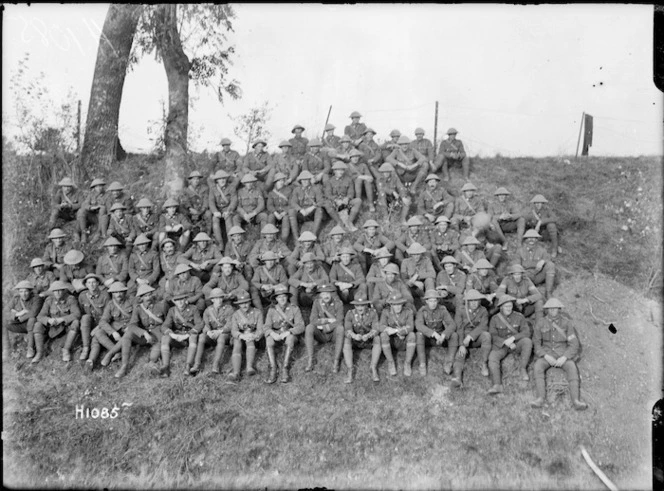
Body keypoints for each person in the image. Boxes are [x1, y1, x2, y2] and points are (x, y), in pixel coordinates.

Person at [531, 298, 587, 410]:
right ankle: (540, 398)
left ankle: (576, 400)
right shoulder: (541, 323)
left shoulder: (566, 323)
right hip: (547, 354)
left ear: (559, 309)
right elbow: (536, 343)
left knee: (572, 367)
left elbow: (574, 344)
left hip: (562, 354)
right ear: (546, 310)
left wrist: (565, 357)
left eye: (555, 308)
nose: (552, 311)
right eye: (550, 308)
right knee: (538, 366)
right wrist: (545, 355)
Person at [114, 284, 167, 378]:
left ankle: (152, 363)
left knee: (156, 350)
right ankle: (124, 366)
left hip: (157, 334)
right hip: (145, 335)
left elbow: (167, 321)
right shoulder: (138, 308)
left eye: (150, 294)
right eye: (145, 296)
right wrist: (144, 333)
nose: (148, 297)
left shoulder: (161, 305)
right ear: (141, 298)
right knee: (128, 334)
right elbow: (132, 325)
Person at [487, 295, 532, 395]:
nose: (508, 308)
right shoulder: (494, 319)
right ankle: (497, 385)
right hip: (502, 346)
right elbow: (493, 335)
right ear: (501, 307)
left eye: (510, 306)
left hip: (516, 344)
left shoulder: (519, 316)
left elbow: (526, 332)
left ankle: (523, 368)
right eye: (506, 306)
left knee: (527, 342)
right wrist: (505, 342)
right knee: (492, 357)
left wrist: (513, 338)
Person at [263, 284, 305, 384]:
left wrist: (289, 332)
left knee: (290, 338)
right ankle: (273, 368)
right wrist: (272, 334)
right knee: (269, 339)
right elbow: (266, 326)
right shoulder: (271, 310)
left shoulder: (294, 308)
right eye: (279, 297)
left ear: (287, 297)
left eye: (284, 296)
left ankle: (285, 368)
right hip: (277, 333)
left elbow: (301, 326)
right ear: (276, 298)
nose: (282, 299)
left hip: (289, 334)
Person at [86, 281, 133, 370]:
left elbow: (136, 317)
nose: (118, 294)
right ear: (112, 293)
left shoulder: (131, 301)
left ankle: (111, 353)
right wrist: (113, 332)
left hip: (130, 329)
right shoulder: (111, 304)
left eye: (120, 292)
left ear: (124, 292)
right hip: (117, 328)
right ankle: (116, 352)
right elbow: (103, 321)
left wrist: (131, 326)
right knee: (98, 333)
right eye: (115, 292)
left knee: (96, 338)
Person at [450, 289, 491, 388]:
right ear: (467, 301)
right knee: (460, 354)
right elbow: (459, 328)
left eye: (476, 300)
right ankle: (457, 378)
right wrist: (461, 345)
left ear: (480, 301)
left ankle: (484, 363)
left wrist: (470, 336)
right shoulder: (461, 310)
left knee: (486, 335)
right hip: (463, 336)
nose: (474, 303)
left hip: (475, 338)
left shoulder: (483, 311)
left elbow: (483, 326)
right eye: (471, 301)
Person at [33, 280, 81, 364]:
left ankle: (66, 350)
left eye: (60, 290)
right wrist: (48, 320)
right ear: (52, 292)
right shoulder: (49, 300)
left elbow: (77, 314)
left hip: (66, 327)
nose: (57, 293)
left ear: (63, 290)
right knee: (37, 325)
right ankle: (39, 353)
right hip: (53, 327)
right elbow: (40, 316)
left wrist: (62, 319)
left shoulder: (70, 299)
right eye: (55, 291)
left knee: (76, 323)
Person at [191, 287, 236, 375]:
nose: (218, 300)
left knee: (221, 338)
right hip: (212, 335)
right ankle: (197, 364)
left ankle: (216, 365)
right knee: (201, 337)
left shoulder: (229, 309)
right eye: (216, 298)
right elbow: (205, 325)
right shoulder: (208, 311)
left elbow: (230, 325)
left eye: (220, 298)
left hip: (224, 334)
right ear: (212, 300)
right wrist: (208, 332)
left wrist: (219, 332)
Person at [160, 291, 204, 377]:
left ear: (185, 299)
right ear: (174, 302)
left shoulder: (193, 308)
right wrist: (172, 334)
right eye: (177, 300)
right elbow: (164, 326)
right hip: (177, 336)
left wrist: (187, 334)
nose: (180, 302)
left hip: (188, 336)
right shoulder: (172, 310)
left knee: (193, 336)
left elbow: (200, 324)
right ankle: (166, 367)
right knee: (165, 338)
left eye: (182, 299)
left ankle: (188, 365)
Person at [415, 289, 458, 376]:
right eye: (431, 301)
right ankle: (422, 364)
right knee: (419, 334)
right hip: (428, 338)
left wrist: (443, 335)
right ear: (426, 301)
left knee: (454, 335)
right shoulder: (422, 311)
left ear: (438, 301)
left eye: (435, 301)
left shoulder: (442, 309)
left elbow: (452, 324)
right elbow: (418, 325)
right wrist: (433, 334)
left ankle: (449, 363)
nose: (433, 303)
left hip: (440, 338)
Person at [303, 283, 344, 373]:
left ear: (332, 294)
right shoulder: (317, 303)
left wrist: (325, 327)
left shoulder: (338, 303)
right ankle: (310, 359)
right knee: (309, 327)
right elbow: (313, 320)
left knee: (340, 328)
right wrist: (328, 320)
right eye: (323, 294)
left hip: (333, 334)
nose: (326, 296)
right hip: (321, 335)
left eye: (328, 293)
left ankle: (336, 361)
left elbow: (339, 321)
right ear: (320, 295)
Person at [342, 292, 381, 383]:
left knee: (378, 339)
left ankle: (373, 367)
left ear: (366, 305)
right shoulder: (350, 313)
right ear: (354, 305)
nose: (360, 308)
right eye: (357, 305)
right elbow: (347, 329)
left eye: (362, 305)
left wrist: (368, 335)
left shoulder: (373, 313)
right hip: (356, 340)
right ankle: (350, 369)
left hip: (368, 340)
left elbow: (376, 329)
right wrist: (354, 335)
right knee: (347, 340)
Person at [227, 289, 264, 382]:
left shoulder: (257, 312)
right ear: (238, 304)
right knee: (237, 343)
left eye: (246, 302)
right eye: (242, 303)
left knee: (250, 340)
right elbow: (234, 331)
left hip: (253, 338)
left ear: (250, 302)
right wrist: (241, 336)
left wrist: (254, 335)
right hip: (240, 336)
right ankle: (236, 372)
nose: (244, 305)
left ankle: (249, 367)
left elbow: (260, 329)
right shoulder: (236, 314)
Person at [378, 292, 417, 377]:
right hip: (391, 342)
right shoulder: (386, 312)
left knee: (412, 335)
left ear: (402, 303)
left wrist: (398, 331)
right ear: (391, 304)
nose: (398, 307)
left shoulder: (408, 311)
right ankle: (391, 362)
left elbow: (411, 327)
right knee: (383, 335)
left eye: (399, 304)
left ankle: (407, 363)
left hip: (403, 341)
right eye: (395, 305)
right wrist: (396, 330)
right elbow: (381, 327)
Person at [2, 280, 43, 361]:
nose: (23, 294)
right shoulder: (16, 298)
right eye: (21, 291)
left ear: (30, 291)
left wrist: (20, 318)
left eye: (26, 291)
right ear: (18, 292)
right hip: (21, 325)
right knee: (3, 322)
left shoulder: (37, 298)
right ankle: (6, 349)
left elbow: (34, 313)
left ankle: (30, 348)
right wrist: (18, 314)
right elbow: (5, 311)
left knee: (32, 319)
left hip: (33, 326)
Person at [78, 273, 110, 362]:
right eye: (89, 283)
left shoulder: (105, 296)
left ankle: (91, 360)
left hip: (102, 324)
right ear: (86, 285)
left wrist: (97, 328)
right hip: (89, 324)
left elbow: (108, 316)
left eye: (94, 282)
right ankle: (85, 348)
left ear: (98, 283)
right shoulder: (82, 296)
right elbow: (81, 312)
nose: (91, 285)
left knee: (96, 339)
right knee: (85, 317)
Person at [516, 229, 556, 299]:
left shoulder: (542, 250)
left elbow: (549, 258)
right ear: (525, 240)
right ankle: (526, 292)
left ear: (537, 240)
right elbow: (516, 266)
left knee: (550, 265)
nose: (531, 240)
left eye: (534, 238)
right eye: (529, 238)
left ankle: (548, 292)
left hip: (538, 275)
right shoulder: (520, 251)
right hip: (526, 277)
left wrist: (543, 261)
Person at [323, 161, 361, 232]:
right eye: (338, 170)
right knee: (326, 204)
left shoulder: (349, 179)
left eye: (342, 170)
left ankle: (350, 222)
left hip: (346, 202)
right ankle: (339, 222)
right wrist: (336, 200)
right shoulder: (330, 181)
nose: (341, 172)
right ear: (334, 171)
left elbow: (351, 192)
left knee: (358, 201)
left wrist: (348, 198)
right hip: (336, 203)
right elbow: (328, 194)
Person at [289, 170, 325, 237]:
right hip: (302, 214)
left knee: (319, 210)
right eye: (303, 180)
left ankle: (314, 234)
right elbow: (293, 202)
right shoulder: (297, 190)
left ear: (309, 180)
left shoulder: (316, 188)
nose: (305, 181)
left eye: (307, 179)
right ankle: (296, 238)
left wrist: (312, 208)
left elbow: (321, 201)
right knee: (291, 211)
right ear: (300, 180)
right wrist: (300, 210)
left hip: (312, 214)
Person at [209, 170, 238, 246]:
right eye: (220, 179)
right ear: (217, 180)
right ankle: (220, 244)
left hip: (228, 210)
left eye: (224, 178)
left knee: (228, 220)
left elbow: (234, 200)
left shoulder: (231, 187)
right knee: (215, 220)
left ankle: (230, 243)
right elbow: (211, 202)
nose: (222, 180)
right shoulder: (213, 189)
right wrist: (215, 212)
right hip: (218, 210)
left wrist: (228, 210)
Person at [181, 170, 211, 239]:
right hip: (191, 211)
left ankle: (208, 235)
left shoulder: (204, 188)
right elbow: (186, 201)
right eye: (194, 179)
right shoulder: (186, 190)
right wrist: (190, 209)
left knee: (208, 214)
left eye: (198, 179)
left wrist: (201, 211)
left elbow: (206, 200)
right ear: (190, 181)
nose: (196, 180)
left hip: (202, 211)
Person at [77, 178, 108, 243]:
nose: (99, 188)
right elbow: (84, 205)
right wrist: (91, 207)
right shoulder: (91, 195)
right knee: (81, 211)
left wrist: (100, 207)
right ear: (94, 188)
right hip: (93, 216)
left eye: (101, 186)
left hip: (101, 217)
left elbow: (108, 207)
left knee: (103, 209)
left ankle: (98, 233)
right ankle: (84, 233)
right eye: (97, 186)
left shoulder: (107, 195)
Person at [267, 172, 294, 243]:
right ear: (275, 182)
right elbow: (269, 205)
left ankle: (284, 241)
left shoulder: (288, 190)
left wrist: (284, 212)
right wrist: (275, 213)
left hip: (284, 213)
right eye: (279, 180)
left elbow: (291, 204)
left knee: (286, 219)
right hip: (275, 213)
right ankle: (273, 239)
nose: (281, 182)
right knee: (270, 217)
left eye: (283, 180)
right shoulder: (271, 193)